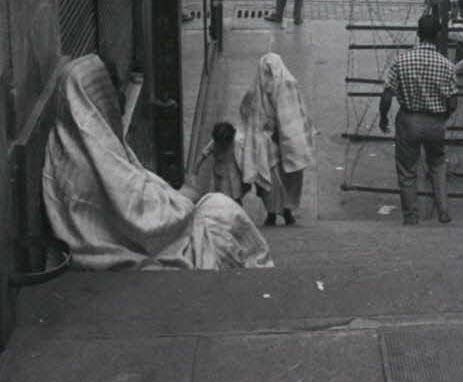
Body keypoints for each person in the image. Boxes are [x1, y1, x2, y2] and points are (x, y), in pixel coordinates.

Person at [43, 54, 273, 269]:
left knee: (220, 209)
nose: (120, 99)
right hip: (138, 248)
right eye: (114, 92)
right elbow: (139, 212)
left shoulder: (74, 147)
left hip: (138, 236)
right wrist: (186, 196)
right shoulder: (91, 158)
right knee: (222, 210)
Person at [379, 15, 459, 225]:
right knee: (438, 164)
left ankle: (411, 216)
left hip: (408, 119)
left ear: (418, 33)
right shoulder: (447, 65)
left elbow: (387, 94)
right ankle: (443, 211)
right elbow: (452, 102)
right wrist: (442, 118)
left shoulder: (402, 60)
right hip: (435, 122)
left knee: (407, 169)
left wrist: (383, 119)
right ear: (438, 35)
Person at [238, 53, 314, 227]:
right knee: (270, 180)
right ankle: (273, 213)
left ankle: (287, 212)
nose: (268, 76)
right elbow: (246, 111)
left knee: (287, 179)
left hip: (286, 143)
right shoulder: (256, 90)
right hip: (267, 143)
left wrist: (285, 134)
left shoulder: (288, 85)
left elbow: (294, 114)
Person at [195, 121, 246, 202]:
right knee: (222, 197)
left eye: (225, 144)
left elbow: (245, 160)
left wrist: (246, 178)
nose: (222, 146)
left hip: (234, 173)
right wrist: (194, 172)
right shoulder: (215, 142)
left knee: (236, 197)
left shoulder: (236, 141)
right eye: (220, 143)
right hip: (220, 173)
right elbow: (202, 156)